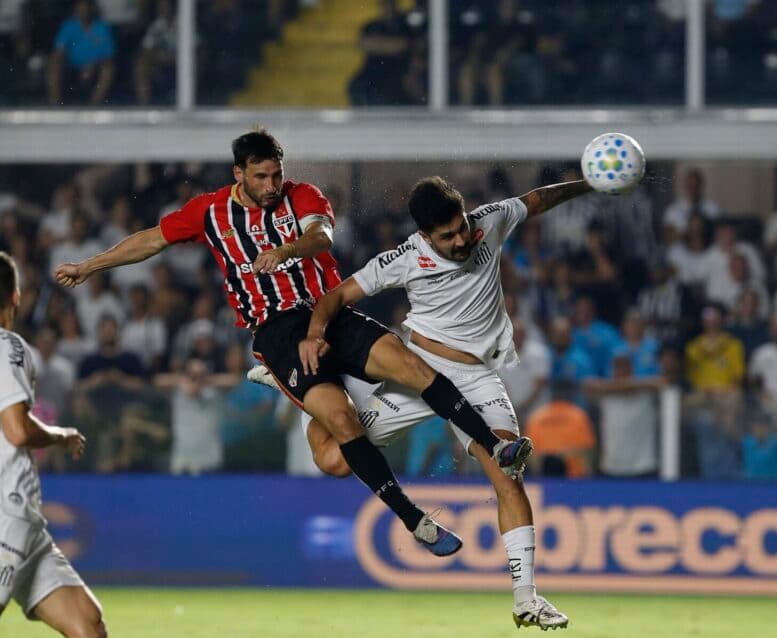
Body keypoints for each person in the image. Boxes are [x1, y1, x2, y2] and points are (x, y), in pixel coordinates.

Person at [54, 129, 532, 559]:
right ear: (238, 173)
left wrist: (285, 251)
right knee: (342, 422)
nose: (271, 185)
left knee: (410, 364)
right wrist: (89, 266)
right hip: (277, 331)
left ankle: (494, 444)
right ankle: (416, 520)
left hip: (329, 312)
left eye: (276, 174)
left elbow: (320, 236)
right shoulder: (211, 211)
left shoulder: (303, 195)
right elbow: (152, 240)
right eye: (260, 176)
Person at [255, 173, 599, 630]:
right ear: (424, 235)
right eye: (447, 236)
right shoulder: (403, 259)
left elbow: (537, 199)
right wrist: (315, 336)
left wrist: (590, 182)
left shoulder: (489, 221)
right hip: (419, 373)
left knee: (508, 474)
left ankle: (526, 598)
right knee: (334, 460)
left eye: (461, 228)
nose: (461, 240)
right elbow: (336, 296)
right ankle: (289, 383)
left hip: (478, 377)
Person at [0, 252, 123, 638]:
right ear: (16, 296)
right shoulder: (7, 344)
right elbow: (16, 429)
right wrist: (60, 434)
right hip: (5, 516)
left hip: (27, 529)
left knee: (86, 622)